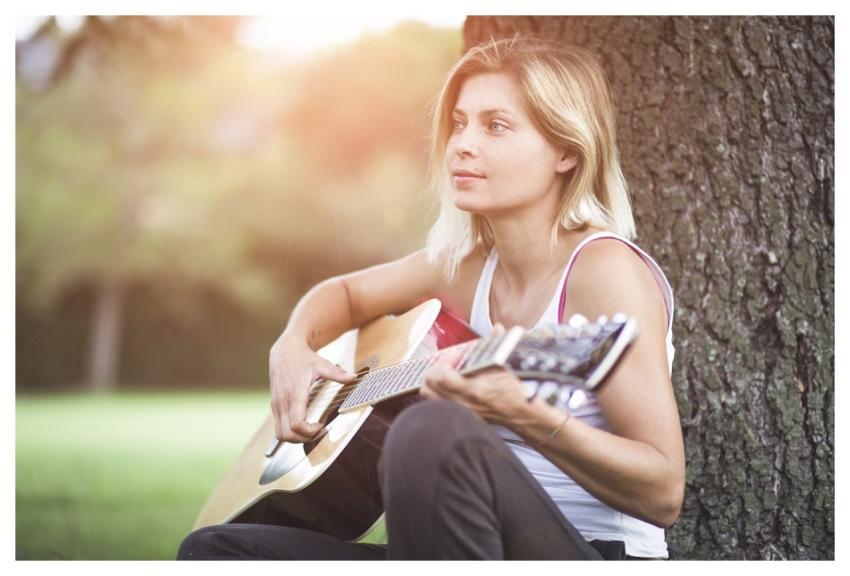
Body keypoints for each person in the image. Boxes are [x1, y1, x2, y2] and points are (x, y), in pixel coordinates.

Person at [177, 35, 685, 561]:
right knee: (215, 552)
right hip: (456, 547)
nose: (463, 144)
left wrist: (526, 415)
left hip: (588, 551)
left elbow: (664, 492)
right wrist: (292, 346)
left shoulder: (605, 271)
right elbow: (345, 295)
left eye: (496, 126)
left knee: (429, 429)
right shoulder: (467, 267)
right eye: (460, 123)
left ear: (565, 151)